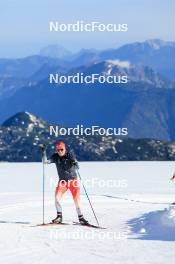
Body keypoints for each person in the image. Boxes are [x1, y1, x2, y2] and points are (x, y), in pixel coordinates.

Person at [46, 141, 89, 225]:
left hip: (73, 181)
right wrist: (43, 152)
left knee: (77, 200)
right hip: (62, 182)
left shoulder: (70, 155)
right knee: (57, 198)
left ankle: (81, 217)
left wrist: (75, 163)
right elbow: (46, 162)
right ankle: (59, 217)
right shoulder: (55, 157)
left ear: (64, 149)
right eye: (58, 150)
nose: (60, 151)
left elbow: (77, 165)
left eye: (61, 149)